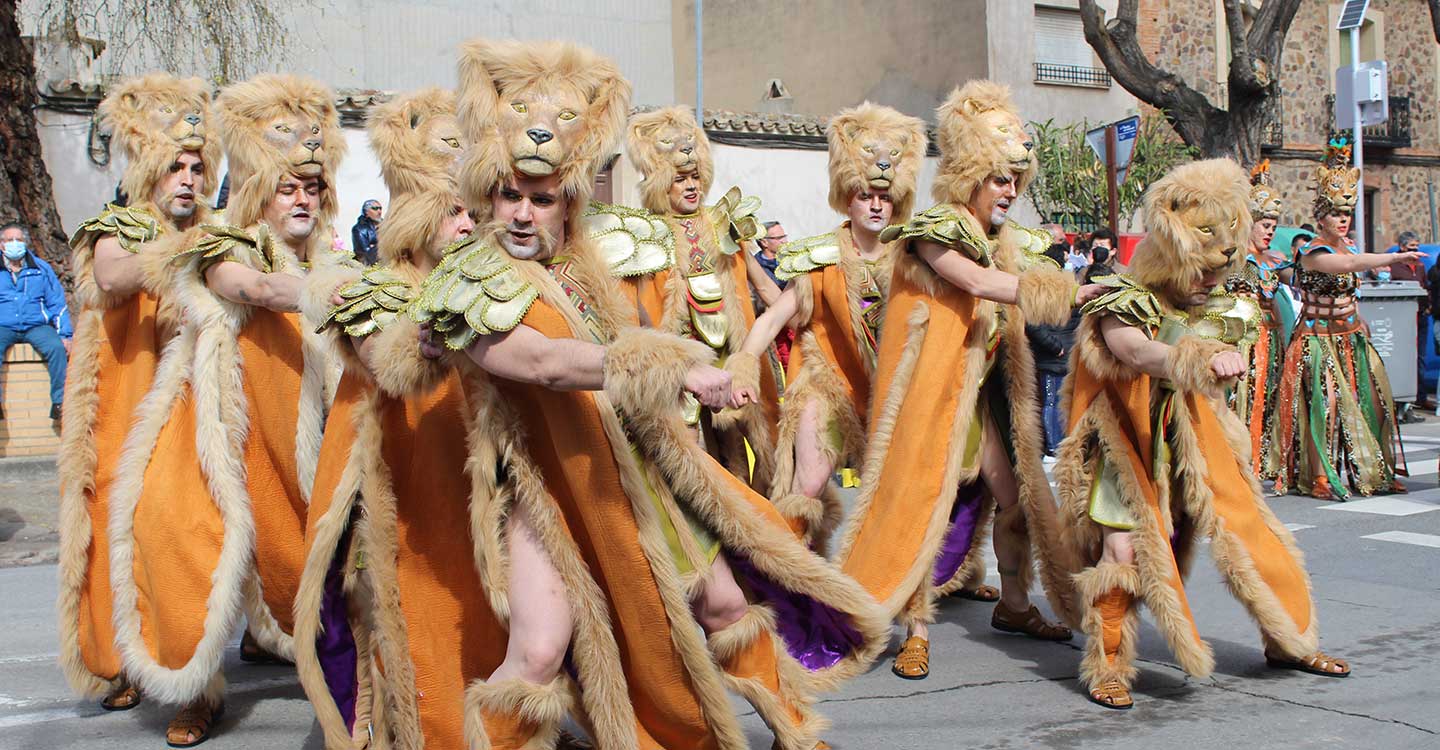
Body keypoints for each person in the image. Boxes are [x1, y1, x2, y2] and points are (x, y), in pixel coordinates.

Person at [408, 39, 886, 750]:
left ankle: (798, 732)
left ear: (567, 205)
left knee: (725, 604)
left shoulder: (584, 264)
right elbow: (540, 361)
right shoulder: (469, 279)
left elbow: (639, 337)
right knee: (539, 650)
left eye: (541, 199)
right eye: (510, 195)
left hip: (641, 471)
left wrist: (704, 369)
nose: (522, 213)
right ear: (487, 195)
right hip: (547, 494)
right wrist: (659, 362)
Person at [103, 74, 354, 746]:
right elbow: (257, 287)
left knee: (317, 567)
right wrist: (330, 291)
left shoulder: (339, 259)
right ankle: (198, 692)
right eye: (286, 188)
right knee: (183, 545)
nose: (300, 200)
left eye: (311, 188)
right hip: (209, 433)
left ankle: (355, 698)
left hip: (295, 442)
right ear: (256, 194)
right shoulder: (227, 245)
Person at [1056, 158, 1349, 711]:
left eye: (1221, 262)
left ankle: (1290, 640)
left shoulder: (1219, 301)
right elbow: (1135, 352)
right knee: (1122, 548)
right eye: (1201, 264)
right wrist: (1195, 356)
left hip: (1200, 441)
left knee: (1247, 531)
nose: (1212, 276)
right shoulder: (1121, 299)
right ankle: (1109, 666)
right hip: (1129, 449)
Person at [834, 81, 1101, 681]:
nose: (1010, 190)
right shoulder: (935, 229)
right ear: (971, 176)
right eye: (999, 178)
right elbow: (978, 285)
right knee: (923, 507)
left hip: (981, 403)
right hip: (929, 403)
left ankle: (1013, 605)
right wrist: (1070, 292)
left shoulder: (1003, 242)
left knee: (1014, 500)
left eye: (1015, 179)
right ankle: (917, 628)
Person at [294, 87, 493, 747]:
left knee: (483, 612)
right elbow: (384, 360)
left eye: (473, 215)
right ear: (417, 223)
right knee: (397, 616)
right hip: (397, 491)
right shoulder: (372, 290)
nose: (467, 227)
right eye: (452, 215)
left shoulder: (491, 290)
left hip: (470, 482)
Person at [54, 73, 219, 726]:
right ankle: (121, 659)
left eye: (195, 166)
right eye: (173, 165)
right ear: (147, 168)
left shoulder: (221, 234)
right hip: (121, 398)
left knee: (177, 532)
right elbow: (113, 273)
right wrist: (185, 250)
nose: (186, 177)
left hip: (190, 411)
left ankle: (190, 684)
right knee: (105, 530)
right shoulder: (114, 227)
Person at [729, 102, 928, 549]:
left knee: (905, 496)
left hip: (892, 392)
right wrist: (742, 363)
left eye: (885, 197)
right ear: (848, 196)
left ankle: (907, 600)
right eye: (865, 195)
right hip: (826, 384)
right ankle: (792, 575)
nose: (876, 205)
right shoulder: (818, 260)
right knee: (810, 483)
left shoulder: (916, 260)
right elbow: (772, 317)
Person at [626, 106, 784, 489]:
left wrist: (798, 310)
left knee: (752, 450)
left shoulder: (724, 222)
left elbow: (763, 287)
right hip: (685, 358)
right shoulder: (645, 232)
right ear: (660, 182)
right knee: (689, 451)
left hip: (732, 351)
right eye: (680, 179)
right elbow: (634, 305)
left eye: (695, 176)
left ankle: (753, 527)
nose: (691, 186)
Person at [1270, 138, 1421, 500]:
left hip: (1351, 336)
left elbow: (1350, 288)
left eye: (1347, 213)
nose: (1343, 219)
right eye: (1336, 212)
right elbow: (1350, 267)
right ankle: (1320, 477)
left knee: (1378, 402)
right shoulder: (1312, 252)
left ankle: (1376, 472)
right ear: (1320, 216)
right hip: (1317, 339)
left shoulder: (1350, 245)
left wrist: (1362, 320)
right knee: (1328, 404)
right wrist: (1391, 258)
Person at [1226, 160, 1292, 476]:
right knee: (1240, 396)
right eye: (1266, 226)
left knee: (1265, 397)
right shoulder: (1234, 258)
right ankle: (1236, 453)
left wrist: (1283, 335)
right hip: (1242, 340)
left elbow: (1275, 300)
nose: (1271, 232)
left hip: (1269, 340)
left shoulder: (1273, 261)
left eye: (1274, 228)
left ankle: (1259, 455)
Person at [0, 222, 70, 421]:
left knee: (57, 348)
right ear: (1, 245)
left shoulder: (41, 268)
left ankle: (59, 402)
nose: (15, 244)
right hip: (3, 326)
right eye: (9, 240)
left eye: (19, 240)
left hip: (36, 325)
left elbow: (57, 302)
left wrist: (65, 334)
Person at [1029, 244, 1078, 459]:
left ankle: (1054, 444)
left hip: (1055, 356)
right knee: (1055, 400)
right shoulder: (1071, 286)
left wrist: (1054, 346)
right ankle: (1055, 443)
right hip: (1062, 354)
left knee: (1051, 401)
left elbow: (1033, 324)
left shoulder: (1043, 290)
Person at [755, 219, 788, 290]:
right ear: (764, 242)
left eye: (784, 236)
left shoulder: (790, 259)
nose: (784, 241)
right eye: (779, 238)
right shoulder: (756, 267)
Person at [350, 199, 382, 264]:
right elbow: (363, 254)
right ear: (366, 212)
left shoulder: (385, 225)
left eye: (380, 208)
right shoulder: (359, 229)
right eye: (375, 208)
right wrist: (381, 246)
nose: (379, 211)